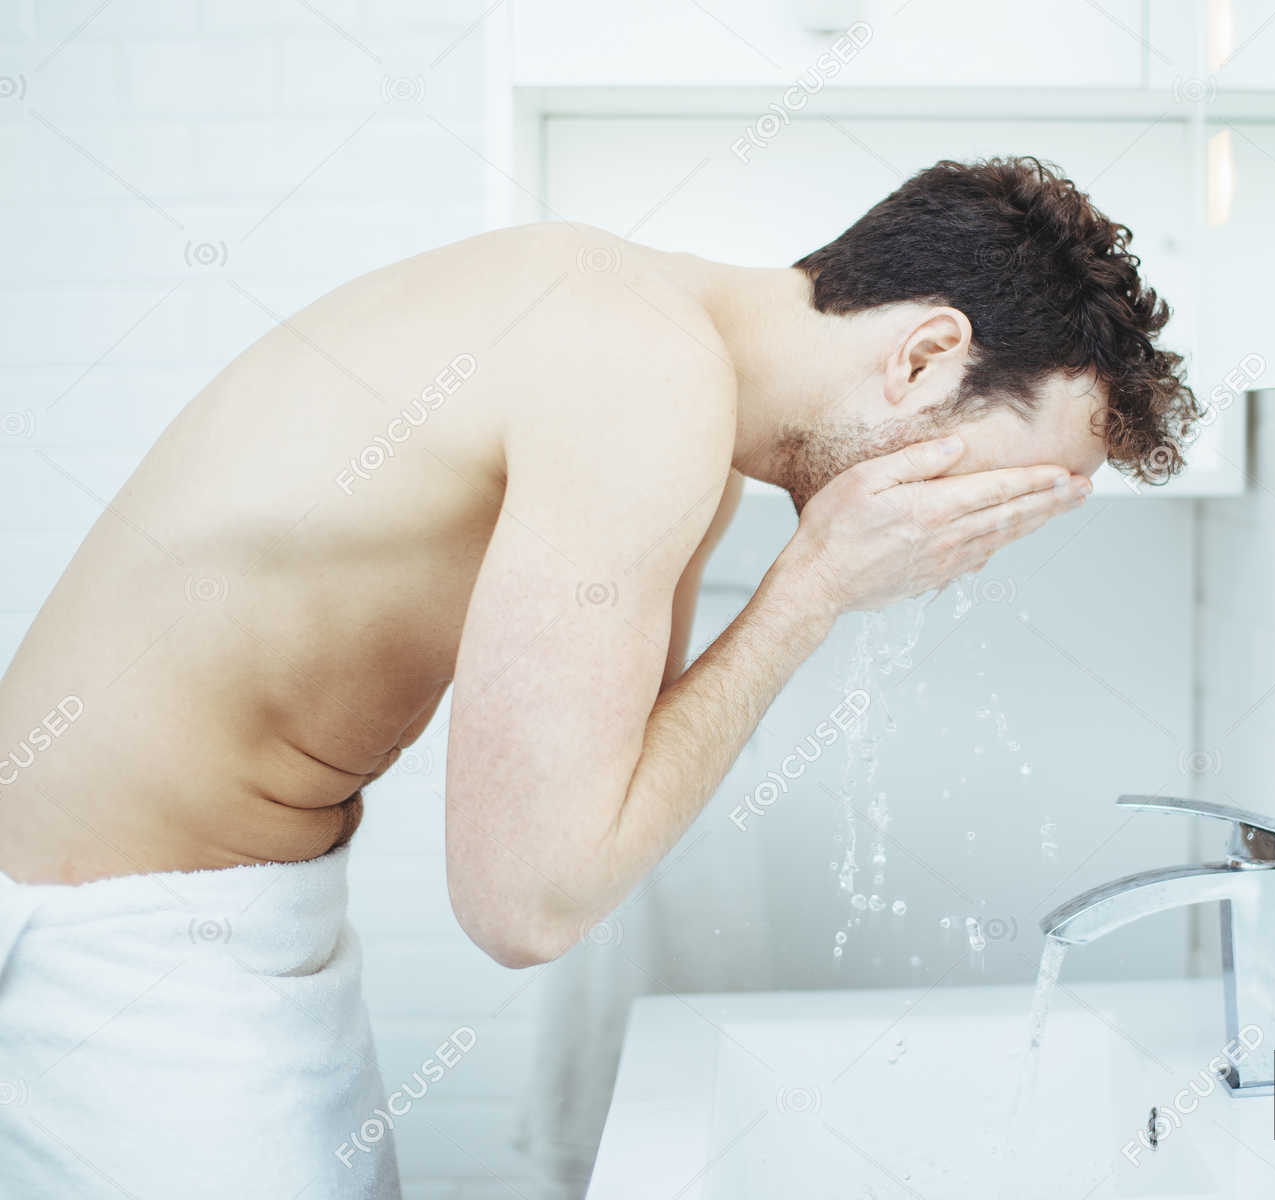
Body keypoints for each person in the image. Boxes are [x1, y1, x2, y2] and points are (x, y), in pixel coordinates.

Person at [0, 155, 1196, 1197]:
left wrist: (816, 576)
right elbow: (527, 905)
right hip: (114, 949)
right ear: (928, 354)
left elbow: (600, 808)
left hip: (226, 918)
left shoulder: (663, 370)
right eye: (1000, 483)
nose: (976, 535)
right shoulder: (641, 375)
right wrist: (814, 586)